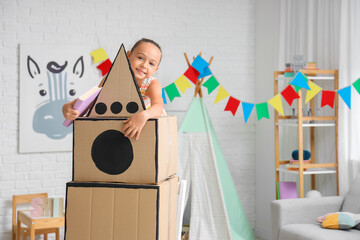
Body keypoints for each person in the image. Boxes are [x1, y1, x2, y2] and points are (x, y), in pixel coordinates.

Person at [62, 38, 165, 140]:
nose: (144, 65)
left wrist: (144, 115)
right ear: (128, 56)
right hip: (124, 125)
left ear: (155, 70)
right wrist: (70, 108)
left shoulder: (151, 84)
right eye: (140, 58)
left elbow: (158, 106)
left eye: (151, 64)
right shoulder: (112, 78)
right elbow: (93, 100)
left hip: (147, 125)